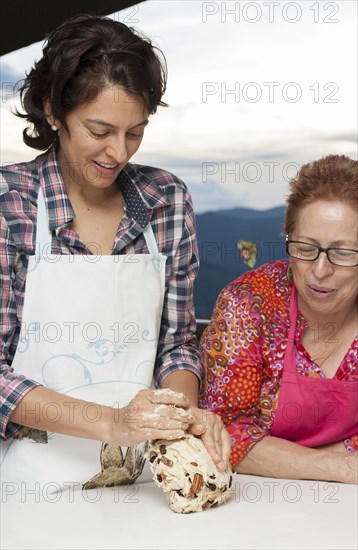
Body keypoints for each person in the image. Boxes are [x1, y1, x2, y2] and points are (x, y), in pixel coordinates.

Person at [0, 13, 231, 490]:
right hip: (27, 482)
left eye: (135, 132)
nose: (118, 153)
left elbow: (177, 345)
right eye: (99, 130)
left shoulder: (166, 200)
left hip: (148, 476)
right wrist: (112, 424)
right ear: (52, 111)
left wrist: (180, 416)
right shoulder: (11, 204)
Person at [199, 154, 358, 484]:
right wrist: (338, 465)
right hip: (249, 499)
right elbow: (220, 428)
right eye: (305, 248)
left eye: (342, 253)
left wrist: (276, 454)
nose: (320, 270)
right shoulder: (246, 305)